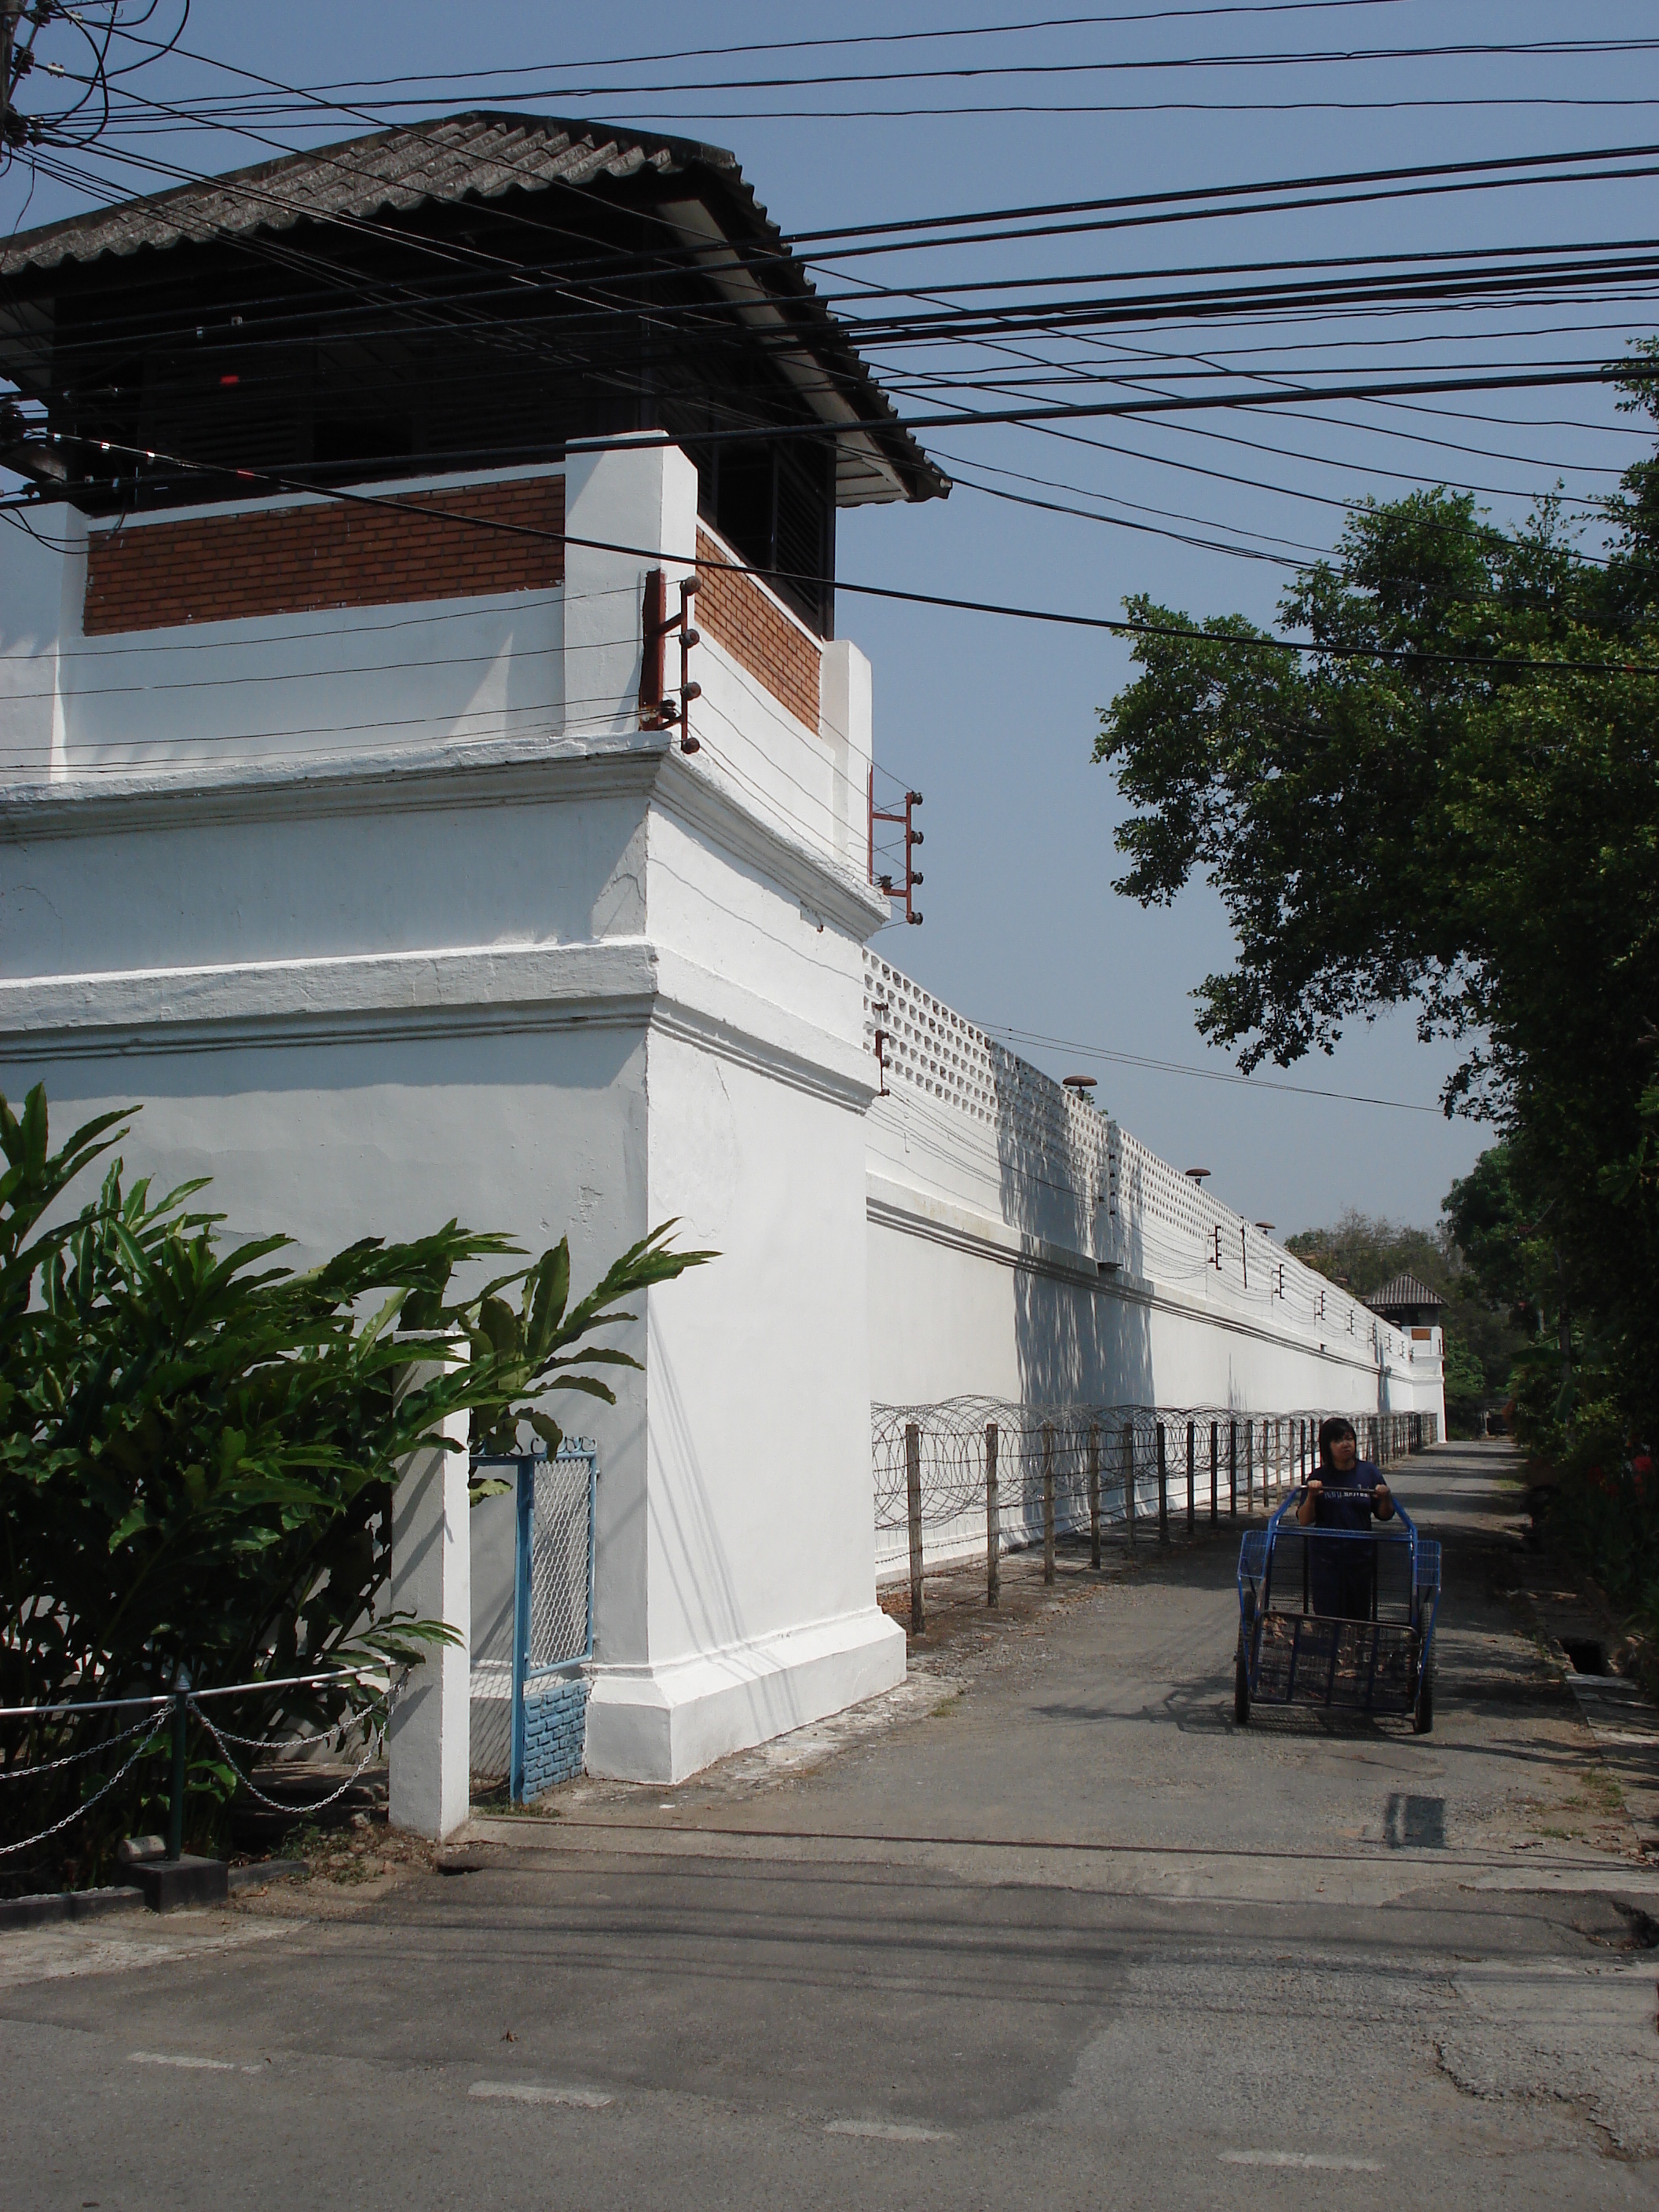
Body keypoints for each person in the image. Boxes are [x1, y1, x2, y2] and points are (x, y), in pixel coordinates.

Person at [1295, 1416, 1393, 1620]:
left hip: (1360, 1559)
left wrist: (1385, 1498)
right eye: (1338, 1440)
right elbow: (1304, 1520)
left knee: (1358, 1617)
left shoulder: (1369, 1473)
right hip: (1326, 1561)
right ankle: (1331, 1650)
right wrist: (1312, 1497)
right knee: (1328, 1617)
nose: (1345, 1444)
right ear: (1327, 1447)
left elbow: (1384, 1515)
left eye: (1349, 1438)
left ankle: (1354, 1651)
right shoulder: (1318, 1477)